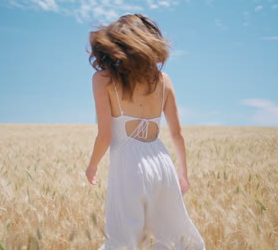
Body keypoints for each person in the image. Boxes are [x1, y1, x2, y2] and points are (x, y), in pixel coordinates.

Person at [85, 14, 206, 250]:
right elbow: (177, 134)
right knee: (172, 237)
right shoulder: (164, 80)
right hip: (162, 163)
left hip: (129, 165)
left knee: (123, 239)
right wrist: (183, 172)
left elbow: (105, 136)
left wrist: (92, 166)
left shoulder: (103, 79)